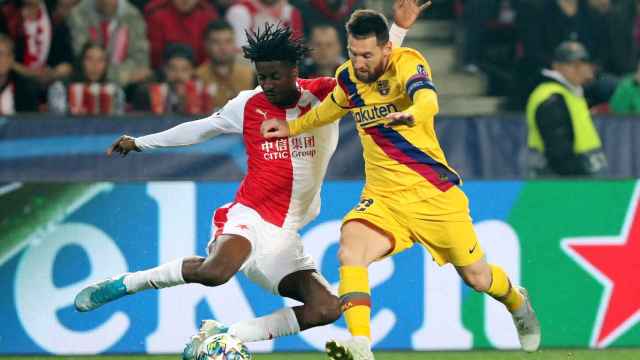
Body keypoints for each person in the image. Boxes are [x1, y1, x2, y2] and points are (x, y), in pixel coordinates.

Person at [73, 1, 423, 358]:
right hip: (250, 215)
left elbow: (376, 74)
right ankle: (125, 283)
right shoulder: (249, 104)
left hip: (287, 233)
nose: (268, 84)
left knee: (327, 309)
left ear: (293, 70)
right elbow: (200, 129)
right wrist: (141, 143)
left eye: (275, 75)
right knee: (216, 272)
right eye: (261, 76)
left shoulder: (325, 95)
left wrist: (399, 29)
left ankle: (223, 334)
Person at [261, 7, 541, 359]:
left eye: (367, 54)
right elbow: (326, 111)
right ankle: (361, 344)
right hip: (384, 199)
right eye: (353, 53)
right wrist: (291, 128)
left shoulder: (407, 61)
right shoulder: (348, 79)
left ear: (386, 49)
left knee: (478, 278)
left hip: (433, 195)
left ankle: (517, 301)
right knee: (350, 248)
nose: (359, 62)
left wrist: (413, 113)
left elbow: (428, 98)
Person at [526, 41, 607, 176]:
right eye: (573, 65)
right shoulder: (551, 98)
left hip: (576, 179)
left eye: (582, 64)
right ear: (557, 67)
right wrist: (580, 178)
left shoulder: (571, 93)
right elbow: (559, 150)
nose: (579, 69)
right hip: (560, 182)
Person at [68, 0, 151, 86]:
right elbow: (83, 59)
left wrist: (105, 73)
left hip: (127, 88)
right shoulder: (79, 14)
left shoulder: (133, 17)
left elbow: (141, 62)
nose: (106, 2)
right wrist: (122, 76)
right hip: (86, 83)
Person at [48, 42, 125, 115]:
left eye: (101, 60)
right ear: (81, 62)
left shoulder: (115, 91)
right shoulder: (61, 88)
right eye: (89, 59)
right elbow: (57, 120)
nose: (95, 65)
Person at [196, 19, 255, 112]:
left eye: (228, 41)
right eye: (216, 42)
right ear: (206, 45)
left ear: (234, 43)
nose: (223, 47)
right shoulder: (197, 77)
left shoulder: (250, 75)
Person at [145, 0, 219, 69]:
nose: (185, 0)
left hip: (202, 73)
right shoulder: (157, 15)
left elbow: (211, 54)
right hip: (166, 74)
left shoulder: (209, 16)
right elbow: (155, 55)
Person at [226, 0, 304, 49]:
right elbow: (240, 47)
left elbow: (296, 45)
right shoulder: (240, 10)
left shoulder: (290, 12)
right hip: (250, 63)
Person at [0, 34, 40, 114]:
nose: (3, 59)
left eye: (8, 55)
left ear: (12, 59)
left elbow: (29, 120)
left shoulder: (23, 87)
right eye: (0, 54)